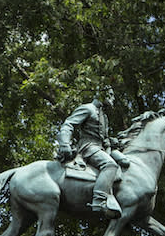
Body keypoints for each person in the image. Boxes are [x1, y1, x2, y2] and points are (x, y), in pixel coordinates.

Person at [55, 88, 130, 218]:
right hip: (89, 147)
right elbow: (68, 124)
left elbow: (102, 137)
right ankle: (99, 200)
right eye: (111, 96)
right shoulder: (88, 108)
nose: (113, 99)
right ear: (103, 94)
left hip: (102, 148)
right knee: (110, 165)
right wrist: (65, 143)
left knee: (125, 161)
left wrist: (112, 142)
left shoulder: (103, 116)